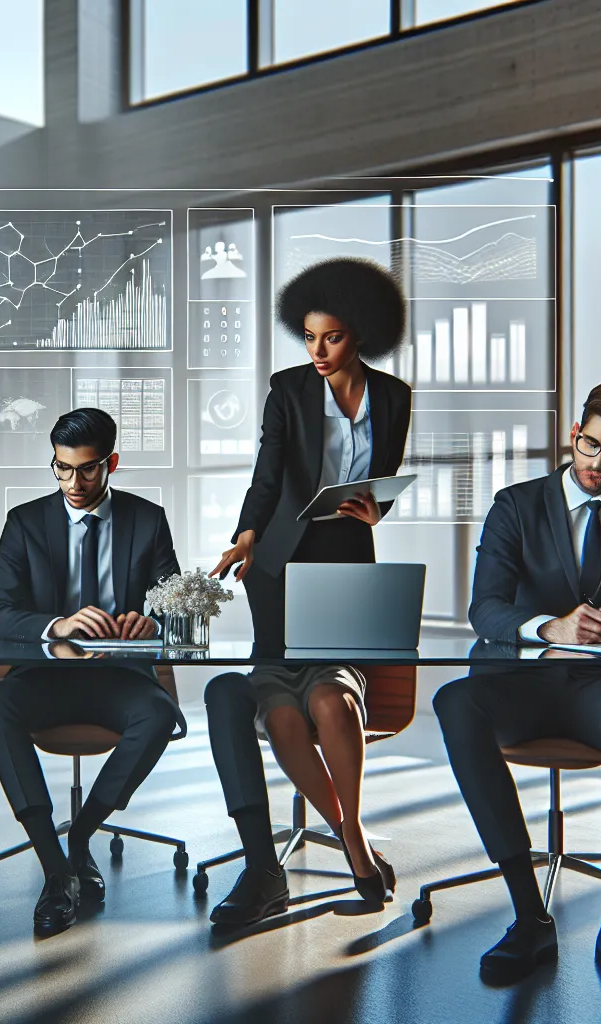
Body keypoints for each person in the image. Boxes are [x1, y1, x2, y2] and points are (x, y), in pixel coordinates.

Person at [433, 379, 601, 999]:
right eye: (589, 444)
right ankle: (529, 915)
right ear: (573, 432)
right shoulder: (515, 503)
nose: (596, 463)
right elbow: (486, 609)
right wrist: (546, 626)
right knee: (454, 701)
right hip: (521, 682)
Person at [202, 258, 412, 927]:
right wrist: (244, 535)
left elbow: (382, 478)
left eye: (334, 338)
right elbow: (267, 475)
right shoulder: (288, 391)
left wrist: (380, 511)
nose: (318, 352)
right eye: (311, 337)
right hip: (279, 563)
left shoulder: (395, 397)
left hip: (346, 561)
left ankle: (350, 833)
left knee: (333, 696)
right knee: (285, 710)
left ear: (363, 336)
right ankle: (354, 840)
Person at [0, 408, 183, 936]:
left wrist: (152, 620)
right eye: (62, 469)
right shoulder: (25, 522)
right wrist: (58, 623)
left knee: (160, 713)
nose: (74, 482)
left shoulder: (147, 519)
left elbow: (176, 606)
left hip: (120, 678)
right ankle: (54, 866)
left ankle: (82, 835)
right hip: (45, 678)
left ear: (112, 462)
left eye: (87, 470)